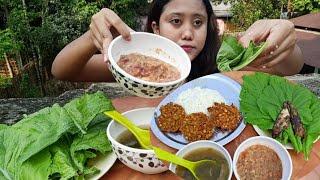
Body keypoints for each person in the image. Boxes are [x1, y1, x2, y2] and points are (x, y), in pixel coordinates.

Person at [51, 0, 304, 82]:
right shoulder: (141, 67)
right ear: (155, 28)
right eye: (175, 21)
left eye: (197, 22)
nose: (187, 33)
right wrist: (93, 38)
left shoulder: (223, 61)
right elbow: (61, 70)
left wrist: (285, 41)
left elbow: (291, 67)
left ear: (209, 26)